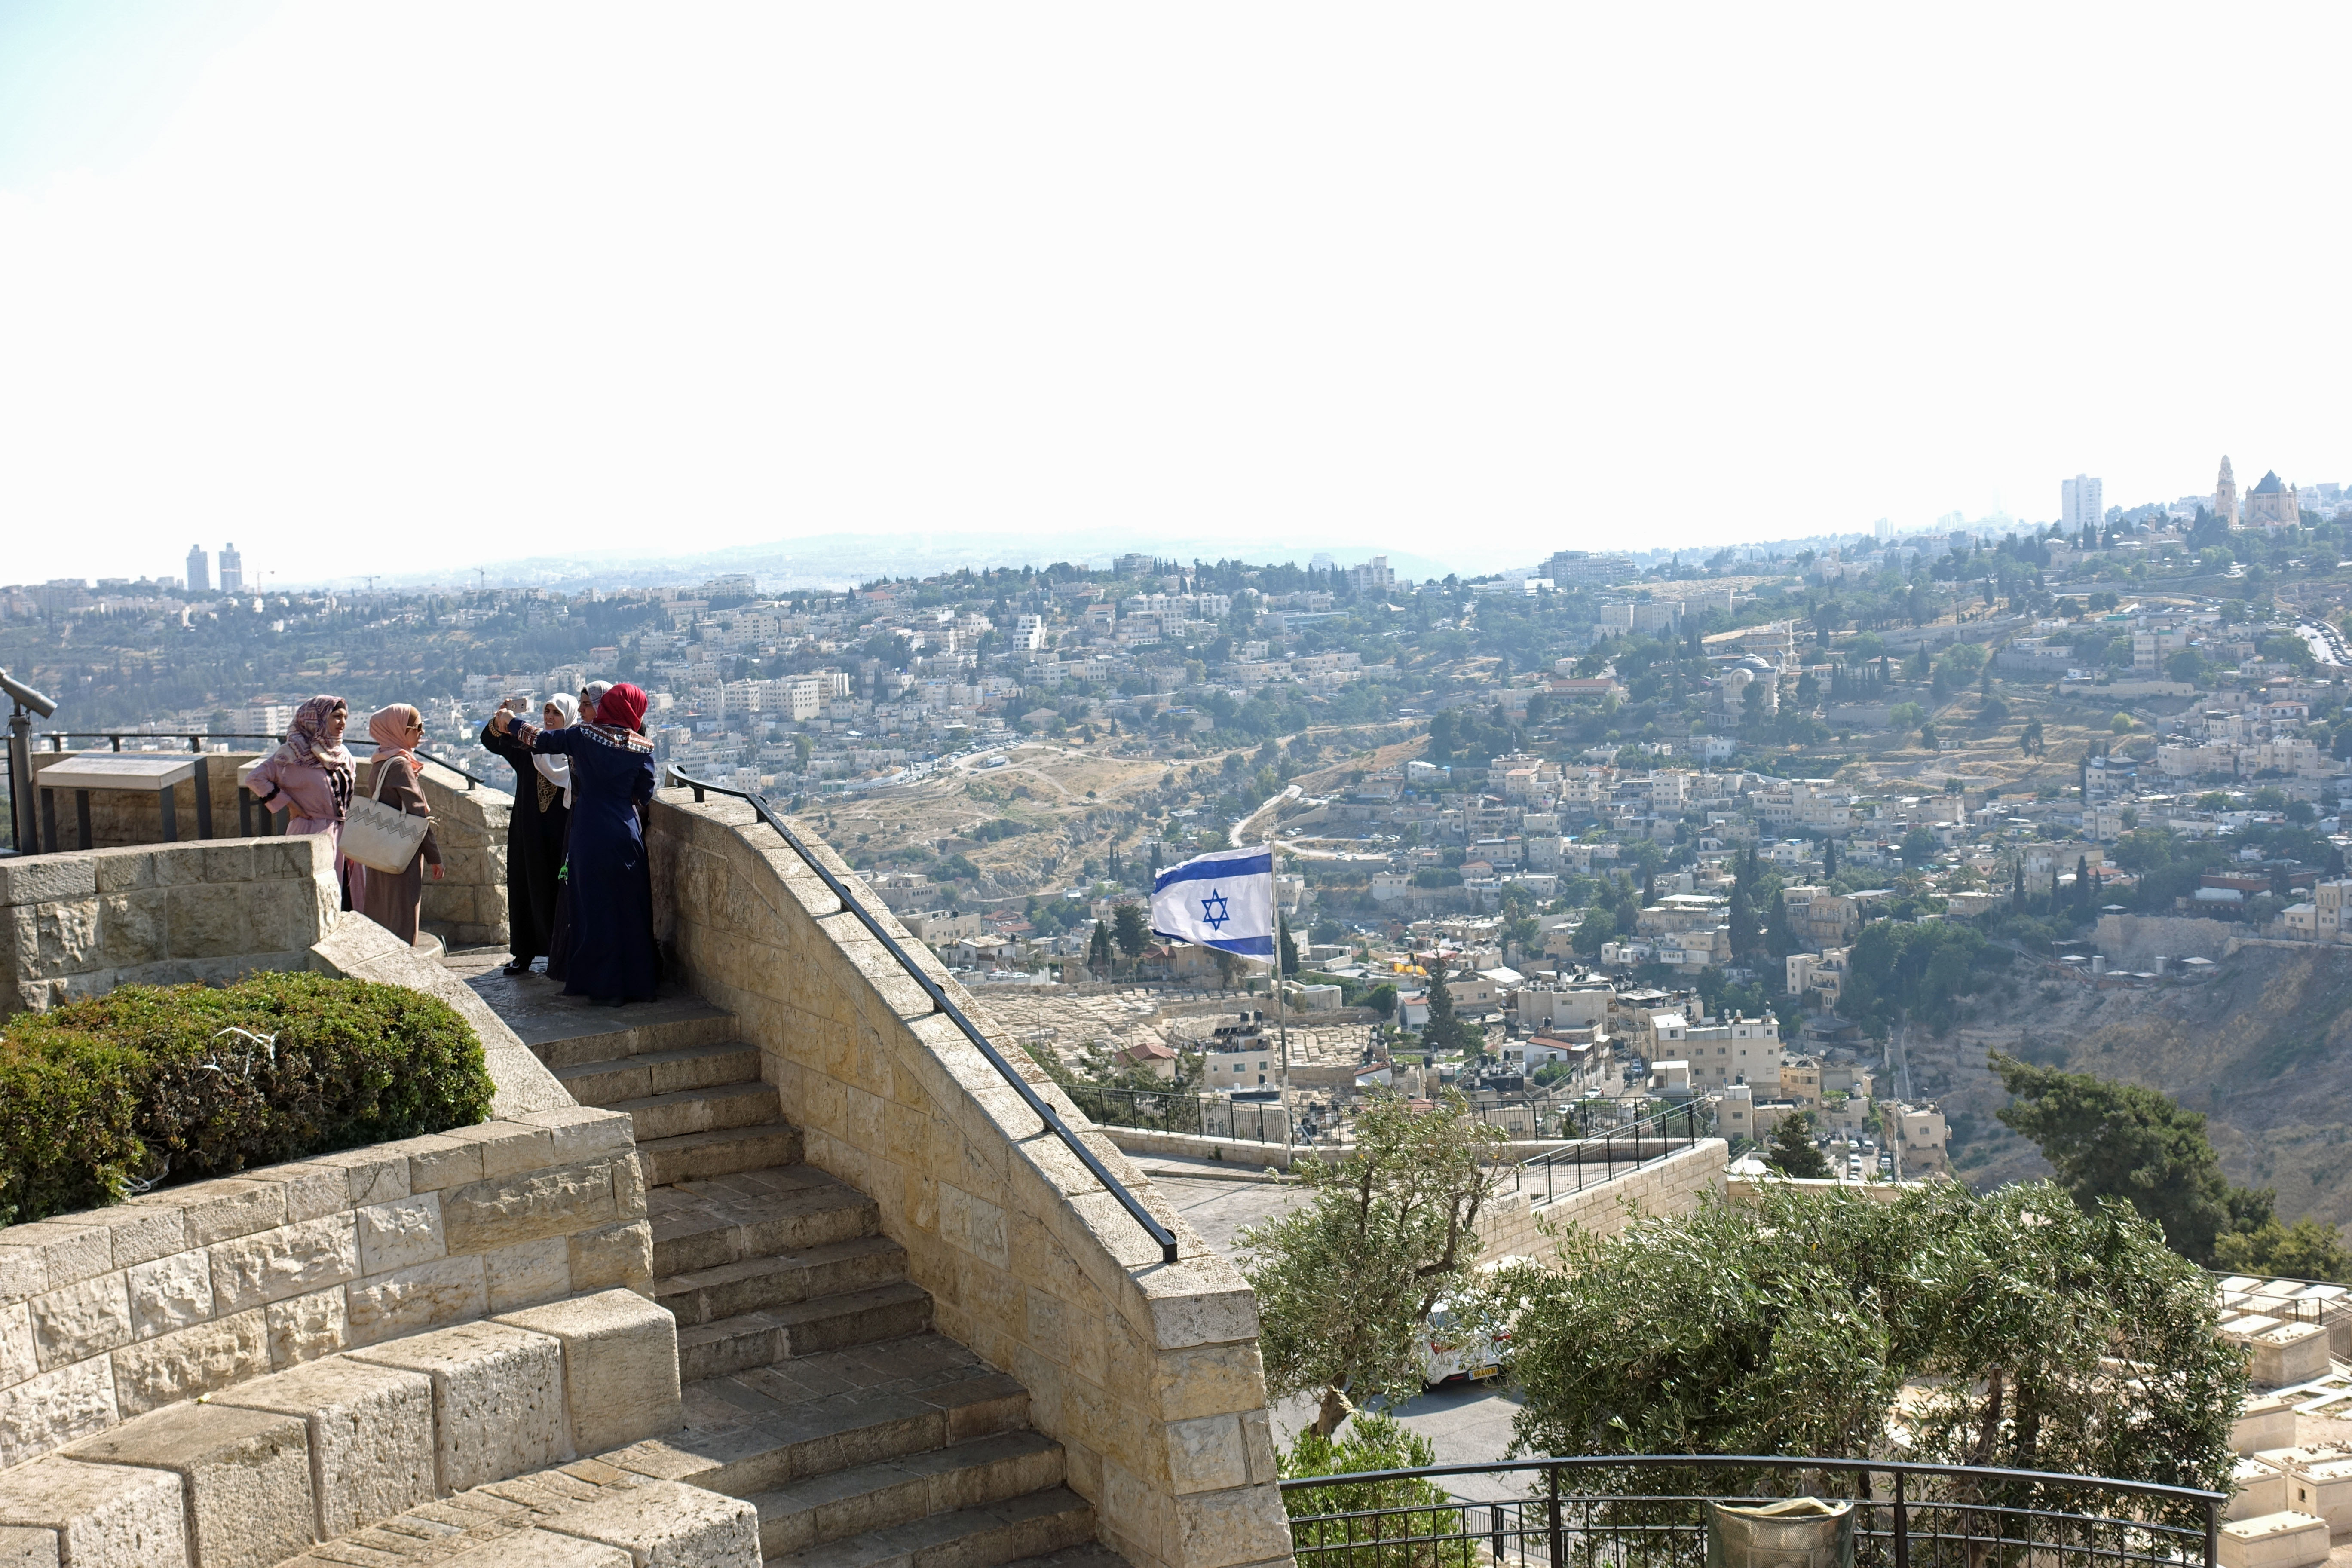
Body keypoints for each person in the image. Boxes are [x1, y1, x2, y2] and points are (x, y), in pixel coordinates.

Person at [492, 683, 657, 1005]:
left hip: (589, 829)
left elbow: (539, 740)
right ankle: (636, 983)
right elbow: (645, 791)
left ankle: (600, 985)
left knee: (593, 907)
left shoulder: (584, 736)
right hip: (625, 831)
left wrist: (510, 720)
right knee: (628, 907)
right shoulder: (642, 746)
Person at [478, 694, 575, 977]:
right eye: (546, 711)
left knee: (560, 894)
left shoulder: (574, 750)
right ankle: (524, 954)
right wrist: (500, 720)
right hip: (528, 834)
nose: (549, 717)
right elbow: (490, 741)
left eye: (556, 713)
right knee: (526, 889)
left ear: (567, 717)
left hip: (562, 837)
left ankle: (563, 955)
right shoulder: (528, 747)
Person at [350, 704, 443, 944]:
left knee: (383, 912)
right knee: (403, 915)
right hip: (400, 852)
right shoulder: (400, 765)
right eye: (417, 727)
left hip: (379, 849)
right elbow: (418, 814)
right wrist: (435, 856)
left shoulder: (381, 761)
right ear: (398, 730)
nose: (421, 733)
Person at [245, 695, 357, 893]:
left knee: (348, 896)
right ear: (318, 719)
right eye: (337, 717)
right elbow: (255, 778)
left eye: (345, 717)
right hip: (311, 832)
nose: (343, 723)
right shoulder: (292, 755)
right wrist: (289, 804)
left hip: (344, 836)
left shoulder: (343, 754)